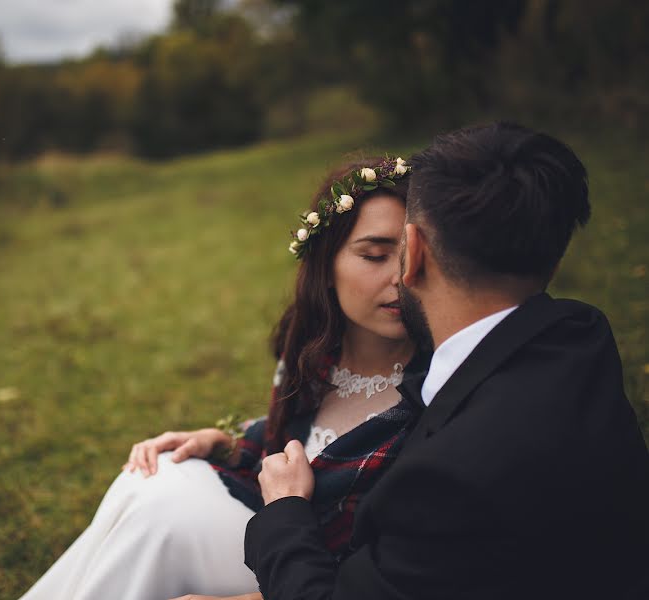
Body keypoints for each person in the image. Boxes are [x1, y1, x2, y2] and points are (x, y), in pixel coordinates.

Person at [242, 122, 649, 600]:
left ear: (411, 254)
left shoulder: (446, 482)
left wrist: (286, 509)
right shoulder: (581, 337)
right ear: (553, 262)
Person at [17, 156, 431, 600]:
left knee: (161, 521)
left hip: (310, 571)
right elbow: (294, 439)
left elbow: (398, 571)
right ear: (326, 264)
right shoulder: (316, 352)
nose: (400, 277)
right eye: (374, 255)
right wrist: (226, 440)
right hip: (277, 534)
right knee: (149, 480)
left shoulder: (432, 389)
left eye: (414, 254)